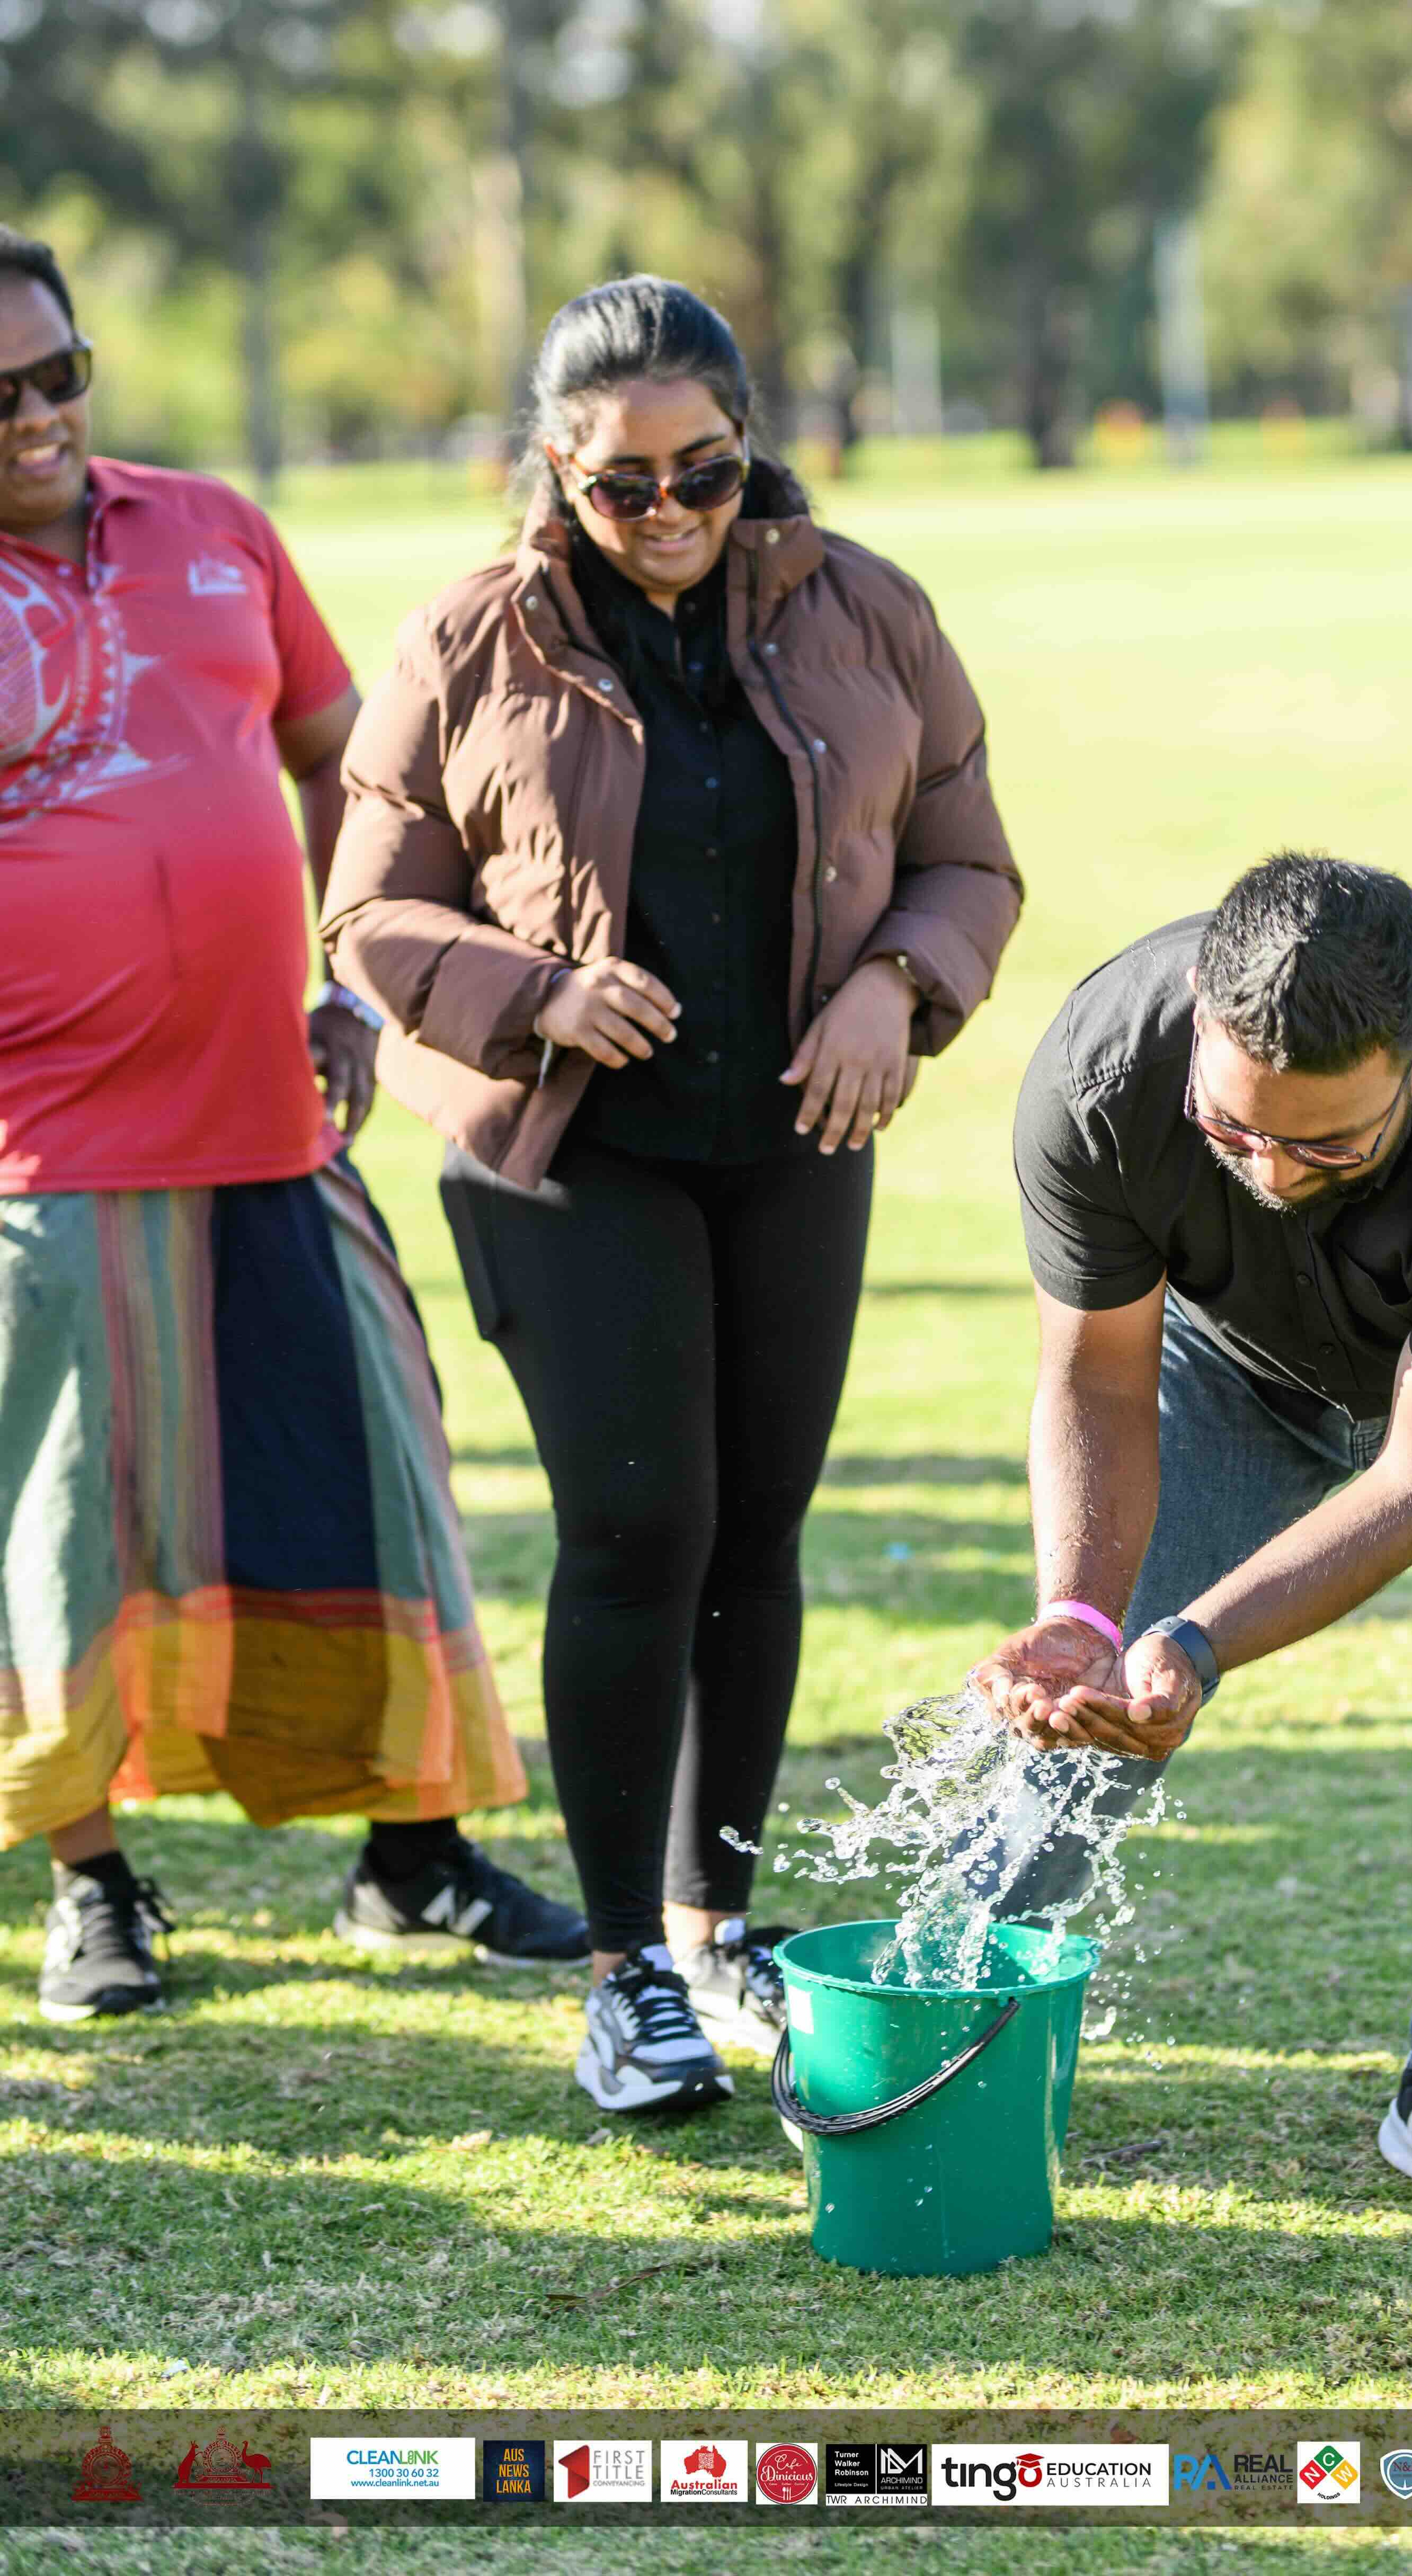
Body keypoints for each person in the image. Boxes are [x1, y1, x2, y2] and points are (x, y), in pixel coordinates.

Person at [323, 275, 1022, 2119]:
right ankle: (626, 1965)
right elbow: (370, 912)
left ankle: (721, 1923)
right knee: (641, 1524)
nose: (666, 514)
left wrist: (897, 985)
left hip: (797, 1134)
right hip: (570, 1153)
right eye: (620, 483)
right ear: (554, 468)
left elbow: (965, 852)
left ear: (748, 446)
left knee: (759, 1530)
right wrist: (535, 990)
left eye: (700, 473)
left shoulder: (865, 608)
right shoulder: (467, 636)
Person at [0, 227, 583, 2026]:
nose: (34, 416)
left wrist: (351, 986)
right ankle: (91, 1881)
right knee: (61, 1531)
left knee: (371, 1479)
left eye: (56, 374)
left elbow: (341, 757)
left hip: (276, 1104)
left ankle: (411, 1853)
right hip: (40, 1146)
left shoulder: (217, 529)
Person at [970, 853, 1412, 2220]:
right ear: (1193, 1021)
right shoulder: (1102, 1070)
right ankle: (966, 2012)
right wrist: (1088, 1614)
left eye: (1329, 1144)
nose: (1275, 1170)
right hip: (1229, 1359)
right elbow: (1097, 1377)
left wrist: (1195, 1639)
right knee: (1075, 1693)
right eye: (1234, 1134)